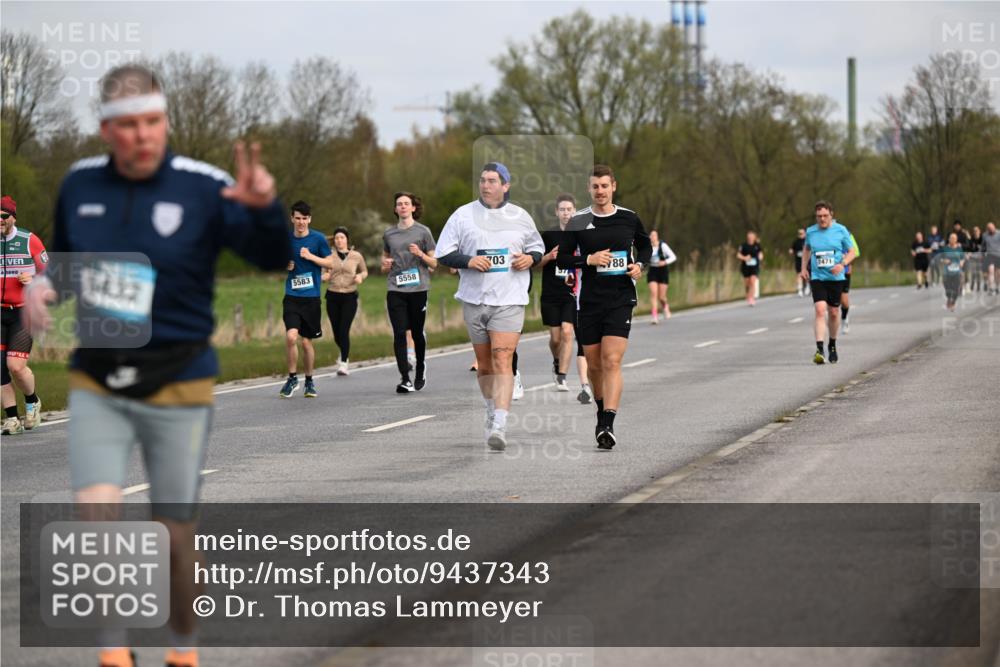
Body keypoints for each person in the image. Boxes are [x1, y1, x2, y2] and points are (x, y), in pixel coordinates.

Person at [22, 64, 290, 667]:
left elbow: (274, 257)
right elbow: (64, 263)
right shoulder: (79, 185)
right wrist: (44, 287)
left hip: (180, 375)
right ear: (105, 129)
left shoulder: (204, 186)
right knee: (96, 512)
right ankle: (115, 652)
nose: (144, 135)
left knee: (173, 531)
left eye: (153, 122)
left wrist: (267, 208)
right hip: (98, 377)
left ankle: (182, 649)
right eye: (129, 125)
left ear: (165, 120)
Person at [436, 162, 543, 450]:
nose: (486, 185)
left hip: (509, 300)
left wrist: (530, 259)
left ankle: (500, 423)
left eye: (492, 180)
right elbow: (442, 253)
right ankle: (490, 407)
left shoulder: (520, 216)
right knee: (484, 365)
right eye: (483, 180)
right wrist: (468, 261)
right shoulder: (463, 215)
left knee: (502, 358)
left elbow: (538, 247)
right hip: (474, 299)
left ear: (505, 185)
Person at [557, 164, 651, 450]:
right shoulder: (578, 221)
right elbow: (562, 259)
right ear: (589, 189)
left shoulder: (629, 218)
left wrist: (639, 266)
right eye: (595, 186)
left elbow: (645, 248)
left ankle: (608, 423)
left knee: (612, 360)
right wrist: (588, 260)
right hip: (588, 300)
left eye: (604, 186)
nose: (600, 191)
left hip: (621, 298)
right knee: (595, 364)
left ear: (614, 187)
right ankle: (600, 413)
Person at [1, 195, 47, 435]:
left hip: (23, 311)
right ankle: (12, 419)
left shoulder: (29, 240)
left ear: (13, 218)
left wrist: (34, 279)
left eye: (3, 215)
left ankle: (32, 401)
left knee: (16, 366)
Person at [383, 191, 437, 392]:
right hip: (395, 288)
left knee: (416, 332)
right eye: (399, 204)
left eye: (406, 203)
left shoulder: (424, 232)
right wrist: (385, 264)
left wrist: (420, 253)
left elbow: (434, 263)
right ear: (395, 209)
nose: (403, 206)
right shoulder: (389, 234)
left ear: (413, 208)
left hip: (418, 289)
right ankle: (405, 378)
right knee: (398, 333)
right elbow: (384, 261)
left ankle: (421, 367)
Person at [279, 201, 330, 398]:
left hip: (311, 298)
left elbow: (331, 263)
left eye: (304, 219)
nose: (301, 222)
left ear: (310, 219)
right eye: (297, 218)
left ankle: (309, 380)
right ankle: (292, 378)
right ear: (292, 218)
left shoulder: (318, 239)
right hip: (292, 297)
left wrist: (311, 257)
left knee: (307, 343)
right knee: (291, 337)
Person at [800, 200, 856, 365]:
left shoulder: (841, 230)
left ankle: (832, 343)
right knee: (819, 310)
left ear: (831, 214)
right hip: (818, 277)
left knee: (833, 312)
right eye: (819, 216)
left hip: (836, 278)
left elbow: (852, 251)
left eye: (825, 216)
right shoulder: (811, 231)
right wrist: (804, 267)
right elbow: (807, 249)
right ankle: (819, 349)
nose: (822, 219)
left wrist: (842, 264)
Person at [538, 193, 578, 391]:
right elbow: (536, 263)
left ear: (575, 211)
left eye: (569, 209)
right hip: (550, 293)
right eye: (562, 209)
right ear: (556, 212)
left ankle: (562, 376)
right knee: (555, 338)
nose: (566, 213)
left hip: (571, 293)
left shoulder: (580, 235)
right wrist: (549, 256)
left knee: (567, 332)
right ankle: (556, 361)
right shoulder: (548, 235)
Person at [319, 227, 367, 375]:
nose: (339, 240)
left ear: (347, 239)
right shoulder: (328, 256)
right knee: (336, 333)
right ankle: (343, 352)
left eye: (342, 237)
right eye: (337, 238)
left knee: (344, 329)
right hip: (332, 296)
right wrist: (323, 277)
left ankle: (344, 363)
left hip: (350, 296)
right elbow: (324, 274)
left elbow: (364, 270)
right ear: (334, 240)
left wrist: (360, 277)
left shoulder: (356, 256)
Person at [647, 229, 677, 323]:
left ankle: (665, 306)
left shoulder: (663, 246)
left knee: (661, 297)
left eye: (654, 235)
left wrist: (665, 262)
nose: (652, 237)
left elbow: (673, 257)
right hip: (652, 271)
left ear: (657, 237)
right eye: (651, 235)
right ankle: (654, 317)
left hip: (663, 271)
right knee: (653, 293)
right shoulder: (648, 247)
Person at [840, 232, 860, 334]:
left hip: (844, 271)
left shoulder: (846, 233)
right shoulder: (820, 233)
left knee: (844, 301)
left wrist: (848, 263)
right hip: (827, 273)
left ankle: (844, 318)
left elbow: (855, 252)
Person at [940, 233, 965, 312]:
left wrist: (961, 262)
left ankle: (953, 303)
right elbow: (941, 259)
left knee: (956, 287)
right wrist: (945, 260)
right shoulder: (945, 249)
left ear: (956, 240)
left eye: (954, 238)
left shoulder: (959, 249)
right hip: (947, 271)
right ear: (949, 239)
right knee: (947, 287)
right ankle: (948, 298)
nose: (953, 240)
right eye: (951, 238)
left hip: (957, 270)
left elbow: (963, 258)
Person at [737, 231, 763, 307]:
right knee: (747, 283)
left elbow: (760, 253)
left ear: (754, 237)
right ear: (747, 237)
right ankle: (748, 294)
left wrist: (760, 257)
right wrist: (744, 258)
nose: (751, 238)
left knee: (752, 281)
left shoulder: (757, 245)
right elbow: (738, 255)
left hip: (754, 266)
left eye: (752, 237)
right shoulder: (743, 245)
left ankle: (752, 298)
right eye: (749, 237)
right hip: (745, 267)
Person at [982, 222, 1000, 295]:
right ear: (987, 229)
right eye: (989, 229)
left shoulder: (999, 233)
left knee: (998, 273)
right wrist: (982, 254)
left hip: (999, 255)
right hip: (990, 255)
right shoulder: (985, 235)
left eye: (992, 228)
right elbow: (983, 246)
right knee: (991, 271)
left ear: (994, 227)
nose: (991, 230)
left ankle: (997, 287)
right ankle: (991, 288)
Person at [965, 226, 984, 293]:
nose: (976, 232)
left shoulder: (982, 239)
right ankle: (972, 285)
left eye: (977, 231)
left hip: (980, 257)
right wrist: (968, 254)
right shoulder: (972, 239)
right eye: (974, 231)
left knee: (978, 272)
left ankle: (978, 286)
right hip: (973, 257)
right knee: (973, 272)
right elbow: (969, 248)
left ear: (979, 231)